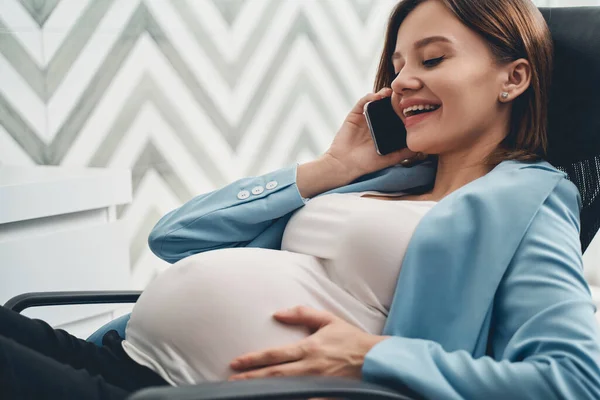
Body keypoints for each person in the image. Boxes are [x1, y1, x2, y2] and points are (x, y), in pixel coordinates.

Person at [2, 0, 600, 399]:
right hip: (119, 356)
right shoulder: (387, 181)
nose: (401, 82)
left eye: (433, 58)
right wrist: (331, 169)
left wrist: (373, 356)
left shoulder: (531, 198)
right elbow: (175, 238)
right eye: (396, 66)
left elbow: (573, 379)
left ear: (512, 78)